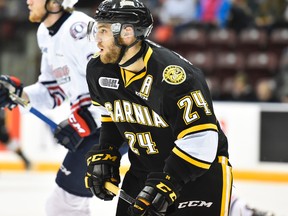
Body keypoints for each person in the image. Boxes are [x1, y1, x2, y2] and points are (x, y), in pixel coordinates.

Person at [84, 0, 233, 215]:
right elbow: (110, 114)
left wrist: (169, 181)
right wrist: (108, 150)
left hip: (197, 174)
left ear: (127, 33)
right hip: (143, 174)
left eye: (104, 30)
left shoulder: (174, 76)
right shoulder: (99, 69)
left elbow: (202, 140)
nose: (97, 39)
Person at [0, 0, 101, 215]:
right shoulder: (45, 33)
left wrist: (87, 119)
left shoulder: (80, 29)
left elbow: (113, 81)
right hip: (94, 128)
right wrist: (17, 94)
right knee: (66, 205)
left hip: (112, 126)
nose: (28, 1)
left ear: (55, 2)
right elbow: (52, 90)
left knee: (63, 205)